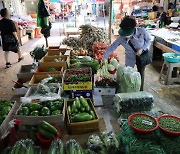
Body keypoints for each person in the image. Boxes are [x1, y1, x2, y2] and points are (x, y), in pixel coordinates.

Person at [103, 16, 151, 91]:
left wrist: (142, 49)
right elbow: (112, 47)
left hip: (142, 56)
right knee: (127, 74)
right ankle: (128, 90)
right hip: (130, 57)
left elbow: (148, 40)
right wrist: (105, 57)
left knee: (141, 72)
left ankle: (140, 90)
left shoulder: (142, 31)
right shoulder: (121, 37)